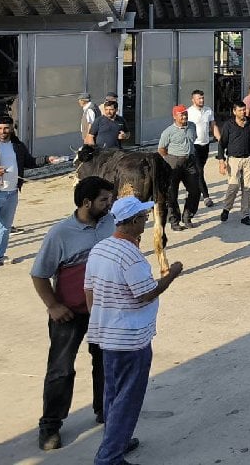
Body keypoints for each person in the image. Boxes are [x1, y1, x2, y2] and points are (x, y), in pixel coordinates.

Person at [85, 196, 183, 465]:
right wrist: (171, 274)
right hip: (131, 339)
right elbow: (145, 294)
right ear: (133, 221)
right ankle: (110, 457)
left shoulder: (101, 248)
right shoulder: (131, 256)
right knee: (128, 399)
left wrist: (100, 321)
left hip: (107, 336)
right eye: (142, 216)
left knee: (113, 394)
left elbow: (89, 291)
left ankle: (116, 440)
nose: (146, 220)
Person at [31, 176, 118, 452]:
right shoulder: (60, 233)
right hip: (69, 314)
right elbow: (39, 274)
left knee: (105, 363)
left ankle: (106, 411)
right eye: (104, 200)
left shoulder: (111, 223)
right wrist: (53, 306)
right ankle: (50, 425)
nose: (109, 204)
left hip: (103, 313)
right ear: (86, 202)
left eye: (110, 199)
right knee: (61, 370)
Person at [0, 115, 55, 269]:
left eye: (6, 128)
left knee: (4, 227)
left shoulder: (18, 145)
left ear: (11, 129)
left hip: (12, 193)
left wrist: (47, 159)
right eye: (0, 128)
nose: (3, 131)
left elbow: (30, 162)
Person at [216, 102, 250, 226]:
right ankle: (226, 208)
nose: (243, 112)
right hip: (233, 160)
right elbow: (222, 144)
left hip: (248, 159)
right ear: (234, 112)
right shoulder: (229, 125)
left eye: (244, 110)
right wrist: (221, 161)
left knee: (247, 188)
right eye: (240, 110)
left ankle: (245, 215)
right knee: (233, 186)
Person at [156, 106, 199, 231]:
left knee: (195, 190)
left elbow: (193, 139)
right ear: (175, 116)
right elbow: (161, 149)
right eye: (181, 115)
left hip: (190, 161)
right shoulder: (168, 131)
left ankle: (188, 216)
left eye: (185, 114)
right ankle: (174, 221)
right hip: (174, 163)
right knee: (171, 194)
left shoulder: (192, 126)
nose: (184, 117)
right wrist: (170, 159)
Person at [187, 89, 218, 208]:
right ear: (193, 100)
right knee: (199, 171)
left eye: (202, 98)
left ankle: (193, 190)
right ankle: (206, 197)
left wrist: (220, 139)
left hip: (205, 145)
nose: (201, 100)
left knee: (198, 171)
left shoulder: (208, 110)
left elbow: (213, 126)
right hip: (194, 145)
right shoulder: (189, 112)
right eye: (199, 98)